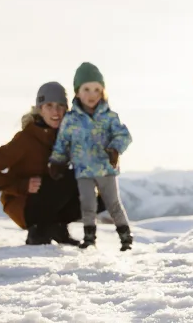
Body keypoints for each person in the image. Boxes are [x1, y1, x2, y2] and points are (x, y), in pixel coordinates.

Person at [0, 81, 89, 246]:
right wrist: (22, 185)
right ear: (40, 109)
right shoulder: (25, 139)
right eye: (49, 105)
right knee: (70, 178)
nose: (56, 111)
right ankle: (38, 231)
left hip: (48, 198)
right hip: (25, 204)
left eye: (60, 106)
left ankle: (57, 228)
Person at [48, 62, 134, 251]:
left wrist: (115, 149)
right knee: (87, 205)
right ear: (77, 92)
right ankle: (89, 238)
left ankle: (126, 237)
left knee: (113, 204)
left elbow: (123, 135)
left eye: (97, 89)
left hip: (105, 168)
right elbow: (62, 143)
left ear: (103, 91)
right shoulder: (71, 119)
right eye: (86, 89)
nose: (92, 94)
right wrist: (56, 161)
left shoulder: (109, 117)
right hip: (83, 169)